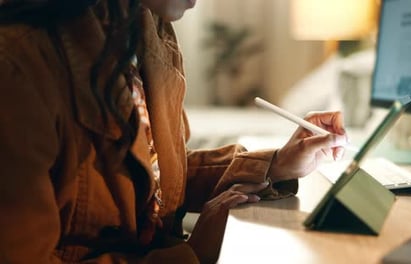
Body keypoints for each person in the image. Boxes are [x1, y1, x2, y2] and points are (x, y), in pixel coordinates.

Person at [0, 0, 347, 263]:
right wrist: (192, 253)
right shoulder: (18, 68)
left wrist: (275, 163)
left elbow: (153, 176)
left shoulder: (147, 29)